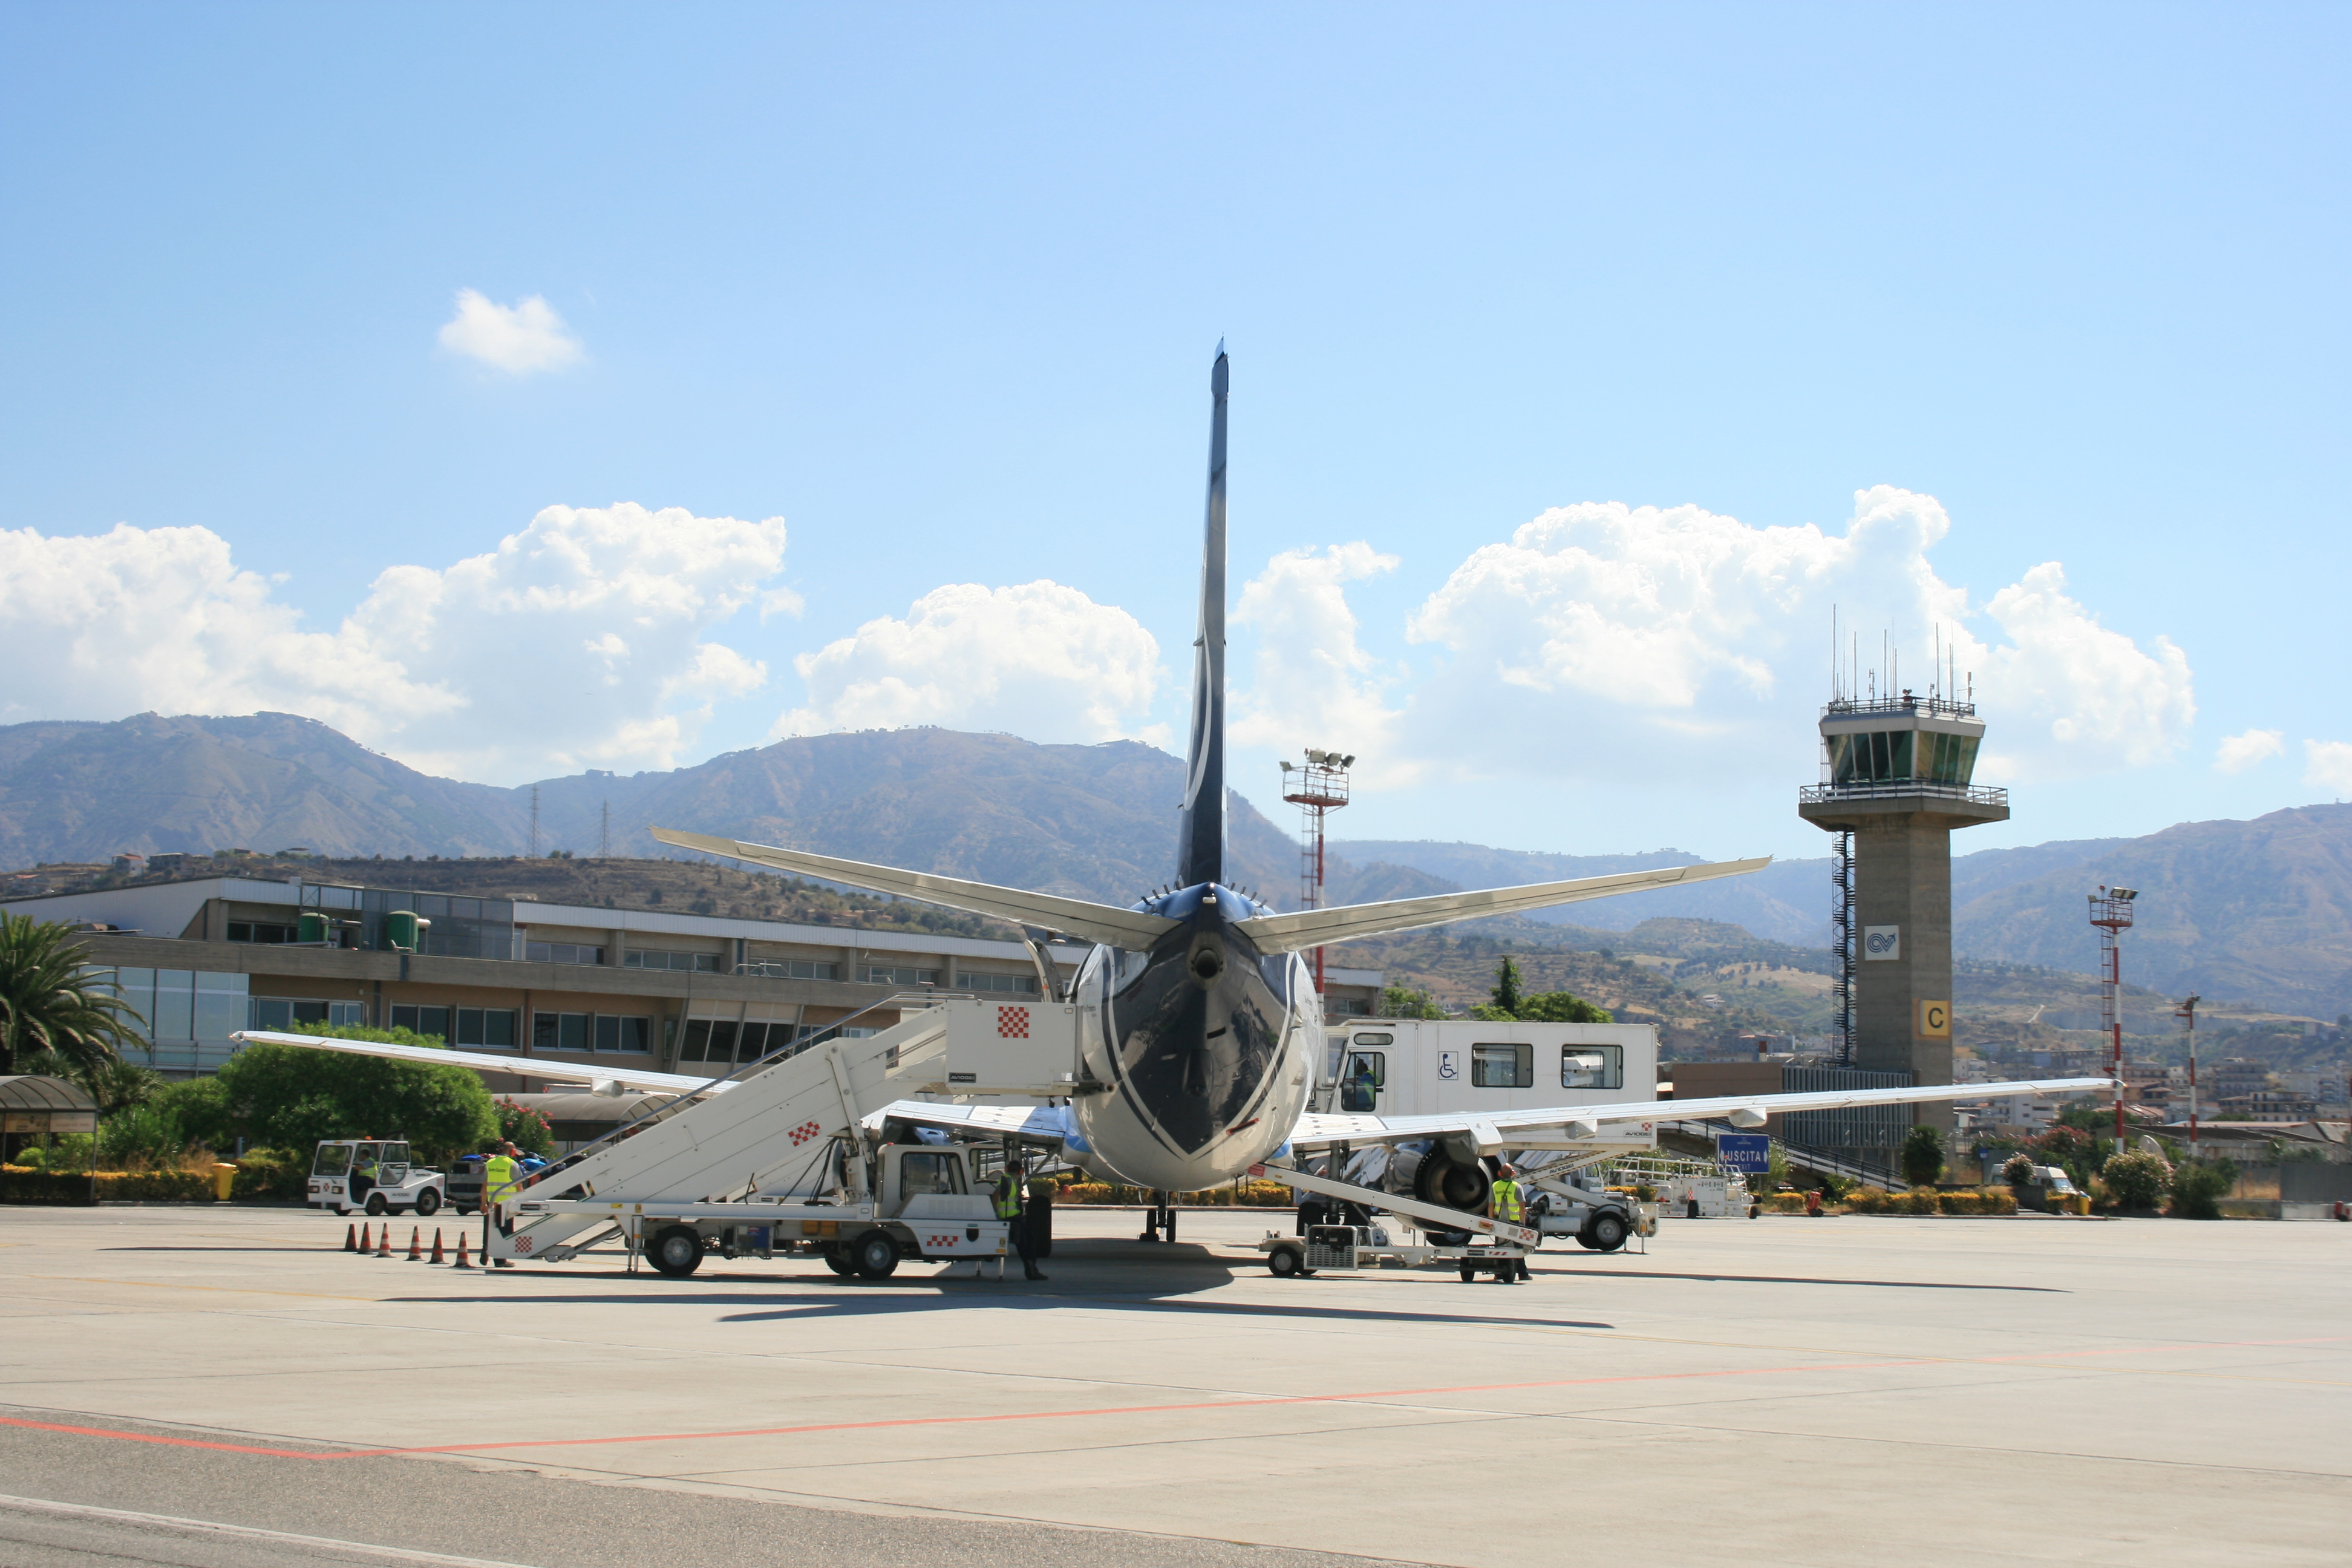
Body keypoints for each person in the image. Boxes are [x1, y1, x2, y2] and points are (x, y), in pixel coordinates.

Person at [994, 1157, 1044, 1281]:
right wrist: (994, 1212)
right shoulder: (1007, 1180)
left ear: (1007, 1169)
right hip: (1011, 1217)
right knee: (1027, 1241)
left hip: (1012, 1215)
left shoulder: (1009, 1180)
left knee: (1024, 1241)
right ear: (1021, 1171)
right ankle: (1031, 1266)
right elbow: (997, 1195)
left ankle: (1030, 1266)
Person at [1489, 1162, 1529, 1283]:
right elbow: (1522, 1206)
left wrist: (1491, 1221)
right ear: (1513, 1173)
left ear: (1500, 1174)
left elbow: (1491, 1205)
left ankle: (1499, 1273)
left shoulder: (1495, 1186)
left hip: (1499, 1221)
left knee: (1499, 1247)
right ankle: (1523, 1273)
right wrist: (1523, 1222)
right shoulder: (1517, 1187)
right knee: (1518, 1248)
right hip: (1514, 1221)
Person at [483, 1142, 521, 1269]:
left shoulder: (489, 1163)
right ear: (513, 1151)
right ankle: (501, 1260)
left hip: (492, 1204)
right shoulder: (512, 1164)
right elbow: (519, 1185)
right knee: (505, 1232)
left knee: (491, 1230)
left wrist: (483, 1203)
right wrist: (521, 1203)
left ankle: (488, 1252)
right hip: (507, 1205)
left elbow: (484, 1185)